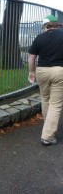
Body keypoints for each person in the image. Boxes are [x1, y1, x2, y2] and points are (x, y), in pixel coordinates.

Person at [28, 14, 63, 145]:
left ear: (45, 26)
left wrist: (31, 72)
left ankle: (47, 126)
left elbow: (31, 57)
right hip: (59, 71)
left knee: (45, 99)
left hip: (42, 71)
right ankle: (47, 137)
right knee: (56, 104)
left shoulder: (39, 38)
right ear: (56, 25)